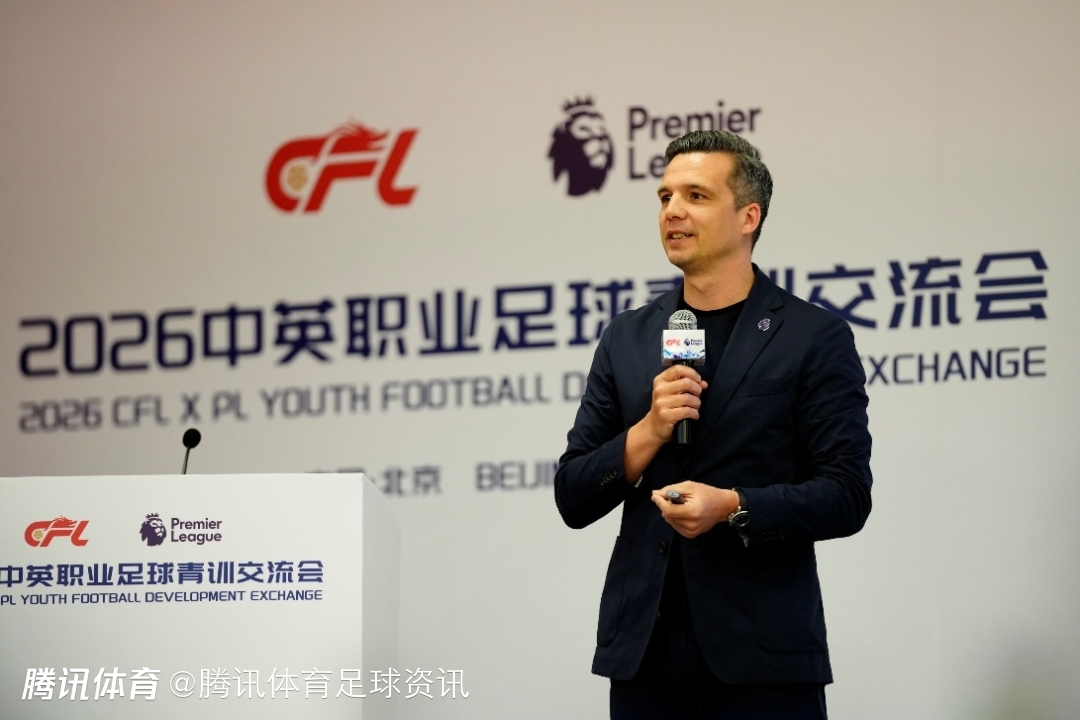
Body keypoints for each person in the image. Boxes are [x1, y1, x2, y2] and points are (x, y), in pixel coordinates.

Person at [555, 130, 872, 719]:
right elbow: (572, 494)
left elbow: (846, 495)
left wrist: (732, 506)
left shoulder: (812, 336)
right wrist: (650, 429)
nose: (672, 211)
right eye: (664, 196)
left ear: (749, 216)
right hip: (644, 657)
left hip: (763, 659)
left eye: (695, 196)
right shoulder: (628, 337)